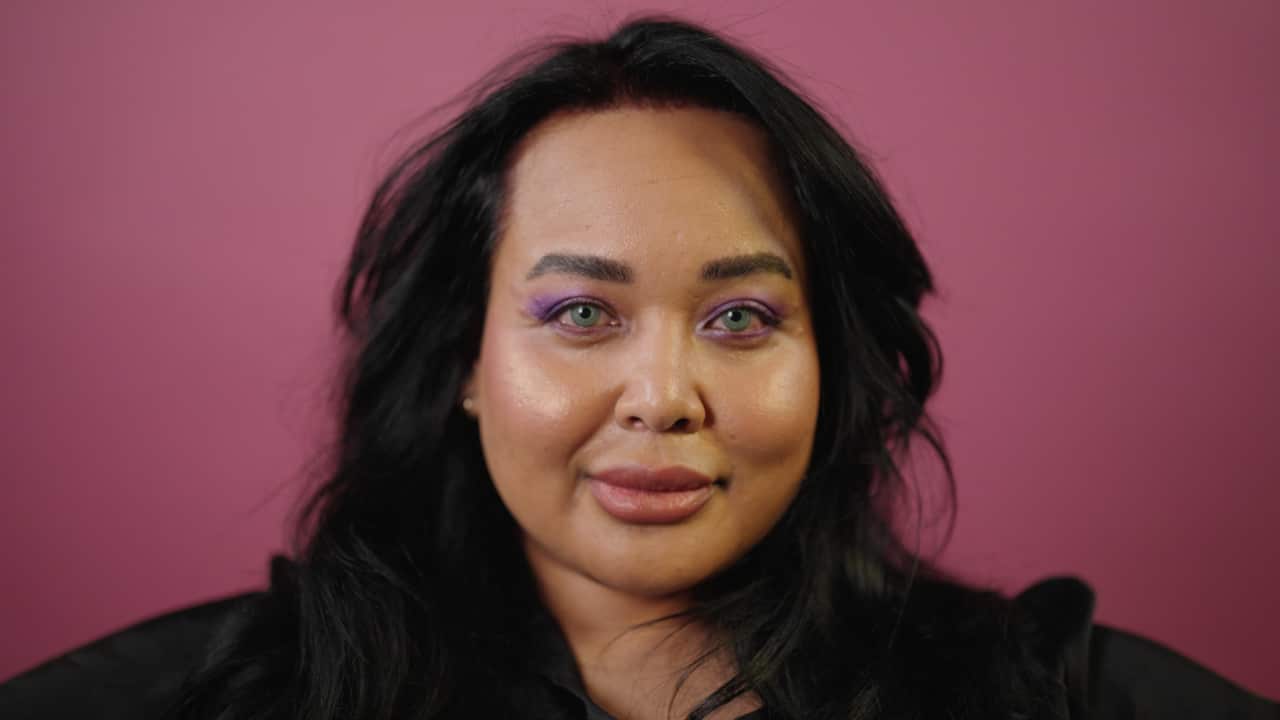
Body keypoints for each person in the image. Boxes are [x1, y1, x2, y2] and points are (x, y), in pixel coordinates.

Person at [1, 15, 1275, 720]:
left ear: (831, 360)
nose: (663, 396)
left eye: (739, 320)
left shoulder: (1048, 697)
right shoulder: (227, 697)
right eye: (577, 314)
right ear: (461, 355)